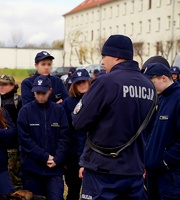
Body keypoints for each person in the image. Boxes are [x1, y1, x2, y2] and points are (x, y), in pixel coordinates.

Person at [72, 35, 155, 199]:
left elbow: (78, 121)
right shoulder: (149, 86)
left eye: (104, 56)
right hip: (134, 171)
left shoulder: (106, 82)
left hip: (103, 171)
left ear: (116, 56)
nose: (102, 62)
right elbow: (150, 129)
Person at [17, 75, 69, 199]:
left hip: (54, 169)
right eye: (37, 92)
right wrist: (44, 156)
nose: (40, 95)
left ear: (50, 90)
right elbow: (24, 139)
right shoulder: (25, 111)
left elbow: (64, 137)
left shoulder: (59, 111)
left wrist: (57, 159)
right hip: (32, 170)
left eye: (43, 92)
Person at [144, 63, 180, 199]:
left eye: (151, 82)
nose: (150, 86)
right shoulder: (160, 98)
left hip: (170, 176)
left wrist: (167, 160)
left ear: (163, 78)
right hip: (154, 173)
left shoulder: (177, 98)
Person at [61, 69, 91, 200]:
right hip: (73, 156)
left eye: (84, 81)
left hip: (92, 155)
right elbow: (64, 132)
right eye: (78, 83)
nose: (82, 85)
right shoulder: (68, 103)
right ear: (74, 85)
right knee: (73, 190)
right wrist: (65, 157)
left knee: (91, 192)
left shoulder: (96, 100)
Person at [0, 74, 22, 190]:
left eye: (5, 84)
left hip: (13, 147)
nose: (1, 87)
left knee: (14, 179)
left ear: (13, 85)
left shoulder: (19, 101)